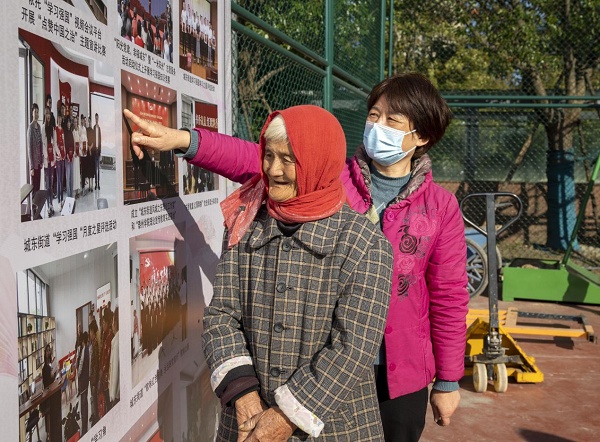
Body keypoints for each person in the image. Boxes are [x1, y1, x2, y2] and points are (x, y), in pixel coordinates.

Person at [124, 72, 470, 442]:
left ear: (421, 136)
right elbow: (251, 157)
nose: (377, 126)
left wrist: (448, 380)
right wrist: (183, 140)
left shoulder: (440, 207)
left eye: (391, 121)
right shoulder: (324, 175)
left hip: (395, 371)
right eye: (373, 115)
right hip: (311, 359)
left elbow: (449, 296)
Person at [132, 105, 394, 440]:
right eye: (269, 156)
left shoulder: (364, 243)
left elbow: (352, 348)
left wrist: (286, 417)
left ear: (319, 163)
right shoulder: (248, 221)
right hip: (246, 424)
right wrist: (244, 398)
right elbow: (221, 315)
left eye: (289, 159)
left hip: (334, 429)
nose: (273, 169)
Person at [27, 103, 44, 195]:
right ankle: (33, 209)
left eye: (37, 112)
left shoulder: (39, 127)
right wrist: (31, 167)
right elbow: (29, 149)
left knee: (38, 187)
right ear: (32, 113)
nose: (36, 114)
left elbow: (41, 145)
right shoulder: (30, 128)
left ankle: (37, 208)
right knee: (34, 189)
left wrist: (41, 161)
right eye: (35, 112)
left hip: (39, 163)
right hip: (34, 165)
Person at [77, 331, 90, 435]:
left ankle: (84, 430)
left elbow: (80, 365)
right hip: (86, 380)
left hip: (83, 380)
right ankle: (84, 427)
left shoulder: (84, 350)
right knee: (84, 402)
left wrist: (78, 374)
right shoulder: (87, 349)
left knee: (83, 403)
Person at [108, 307, 119, 411]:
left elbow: (115, 371)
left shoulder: (116, 343)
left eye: (113, 321)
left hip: (116, 395)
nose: (112, 324)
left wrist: (112, 395)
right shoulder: (117, 340)